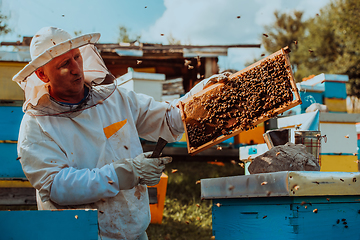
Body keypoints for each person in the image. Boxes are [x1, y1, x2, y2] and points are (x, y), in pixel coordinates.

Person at [13, 27, 229, 240]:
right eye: (64, 64)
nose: (77, 69)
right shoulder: (35, 125)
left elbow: (167, 119)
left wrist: (200, 96)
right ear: (42, 74)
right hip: (78, 234)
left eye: (77, 57)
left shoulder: (114, 99)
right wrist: (127, 173)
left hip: (134, 231)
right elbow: (57, 186)